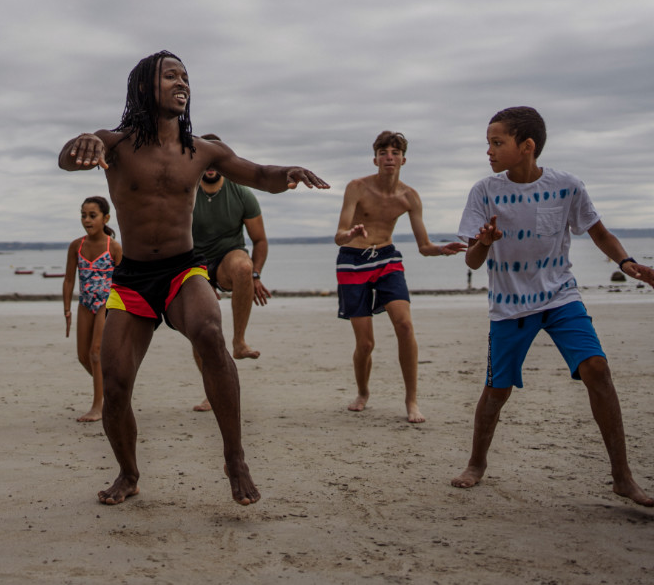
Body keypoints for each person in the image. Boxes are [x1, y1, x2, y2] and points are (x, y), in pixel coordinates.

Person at [58, 50, 329, 506]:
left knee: (208, 330)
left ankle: (235, 458)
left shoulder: (203, 150)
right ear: (145, 86)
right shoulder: (116, 143)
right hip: (132, 280)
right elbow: (68, 160)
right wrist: (82, 140)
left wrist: (290, 172)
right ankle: (128, 473)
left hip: (183, 270)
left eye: (185, 76)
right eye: (170, 76)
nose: (182, 83)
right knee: (117, 381)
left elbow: (260, 175)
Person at [450, 106, 654, 506]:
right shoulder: (484, 191)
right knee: (497, 390)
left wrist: (627, 263)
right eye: (487, 143)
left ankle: (622, 476)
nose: (488, 151)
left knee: (597, 368)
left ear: (526, 146)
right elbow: (472, 261)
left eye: (497, 142)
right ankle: (476, 463)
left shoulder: (567, 186)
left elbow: (598, 232)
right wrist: (485, 243)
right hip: (509, 306)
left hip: (560, 296)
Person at [334, 131, 465, 423]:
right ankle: (363, 392)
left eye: (394, 152)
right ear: (375, 159)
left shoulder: (410, 197)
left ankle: (411, 401)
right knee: (365, 344)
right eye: (383, 152)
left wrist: (442, 249)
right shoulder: (356, 187)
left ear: (403, 159)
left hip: (387, 259)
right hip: (352, 262)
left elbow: (423, 247)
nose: (389, 157)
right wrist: (351, 233)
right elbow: (338, 236)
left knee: (404, 326)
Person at [189, 133, 271, 411]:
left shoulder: (241, 193)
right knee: (201, 327)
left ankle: (239, 341)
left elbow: (259, 240)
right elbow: (173, 238)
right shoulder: (186, 192)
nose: (210, 164)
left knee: (244, 266)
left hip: (228, 258)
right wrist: (195, 280)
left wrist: (255, 275)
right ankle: (210, 390)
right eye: (204, 156)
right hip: (193, 262)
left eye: (215, 157)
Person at [62, 196, 123, 422]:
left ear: (105, 218)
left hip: (106, 304)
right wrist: (67, 309)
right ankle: (110, 389)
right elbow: (69, 280)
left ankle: (98, 406)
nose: (87, 220)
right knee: (83, 356)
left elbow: (124, 282)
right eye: (83, 215)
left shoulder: (114, 247)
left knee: (96, 353)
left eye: (92, 215)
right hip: (85, 303)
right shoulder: (76, 246)